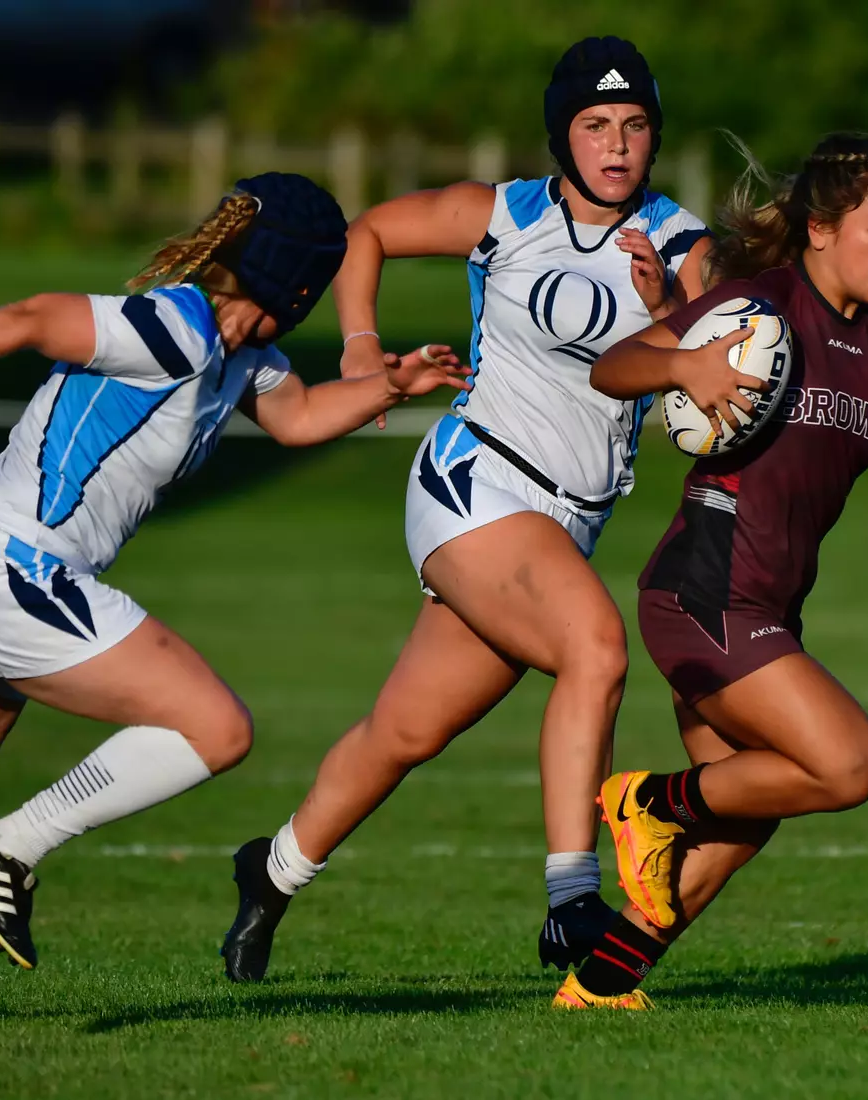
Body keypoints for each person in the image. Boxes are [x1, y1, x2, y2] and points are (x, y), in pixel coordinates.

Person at [0, 173, 468, 1031]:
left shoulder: (242, 359)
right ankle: (11, 844)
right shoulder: (176, 328)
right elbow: (26, 318)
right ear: (303, 285)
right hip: (10, 564)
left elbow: (301, 415)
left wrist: (396, 382)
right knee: (216, 728)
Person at [220, 36, 715, 983]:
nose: (617, 146)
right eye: (596, 125)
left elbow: (725, 354)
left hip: (566, 522)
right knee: (595, 648)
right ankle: (572, 902)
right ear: (562, 136)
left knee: (405, 732)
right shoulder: (507, 214)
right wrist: (361, 346)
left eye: (636, 126)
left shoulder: (683, 244)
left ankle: (271, 870)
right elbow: (361, 233)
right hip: (474, 481)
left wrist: (670, 313)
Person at [554, 132, 868, 1009]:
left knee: (745, 815)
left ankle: (599, 985)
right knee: (848, 766)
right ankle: (644, 801)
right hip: (704, 588)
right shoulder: (755, 307)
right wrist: (684, 363)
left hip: (765, 604)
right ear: (820, 229)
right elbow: (617, 369)